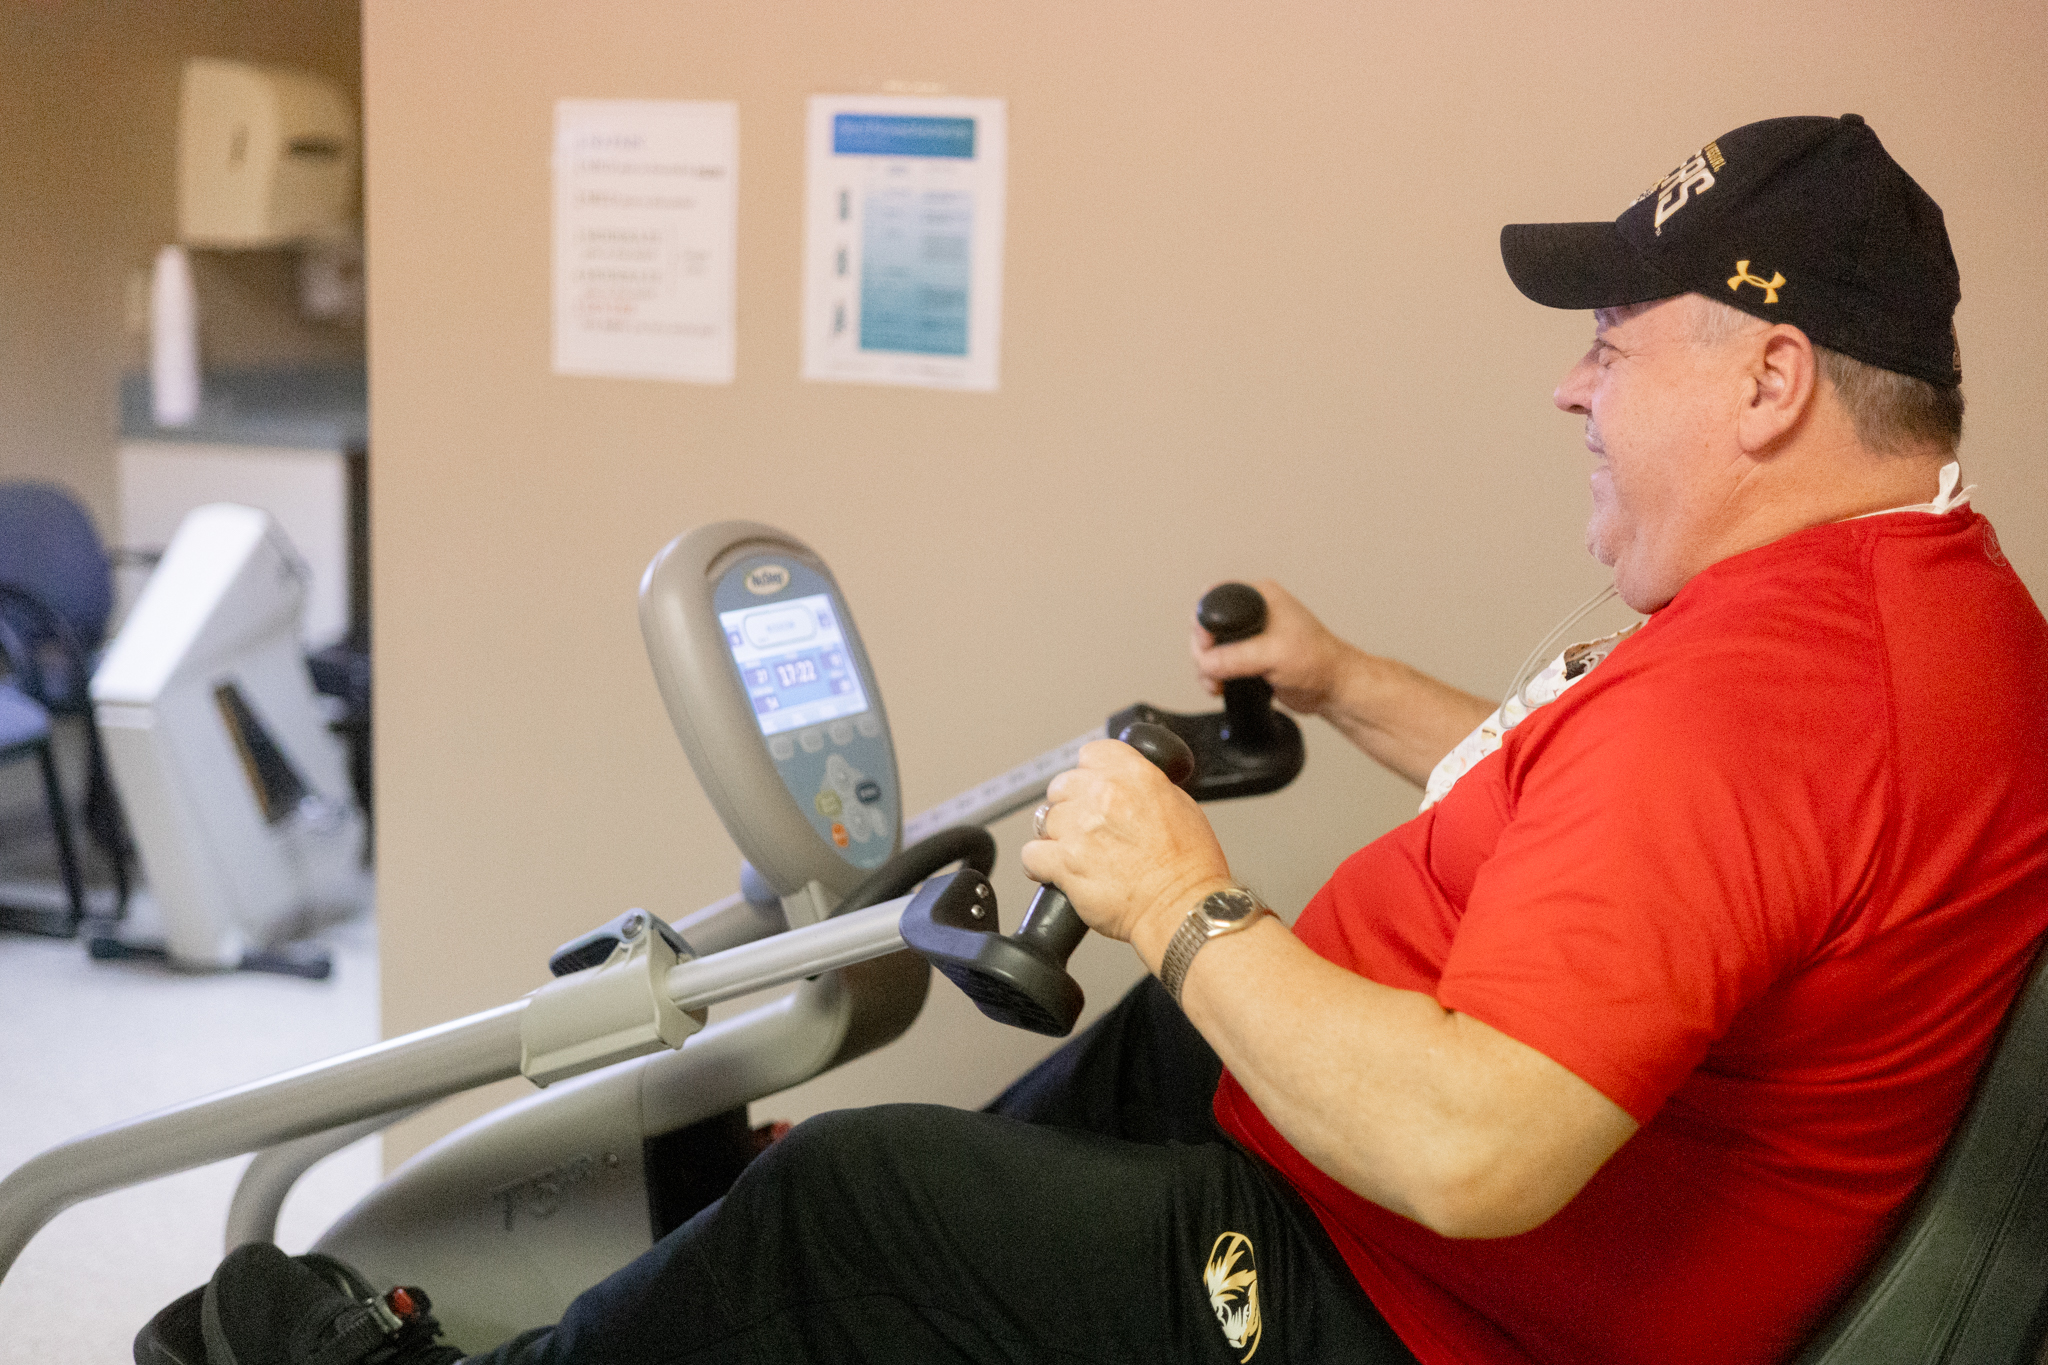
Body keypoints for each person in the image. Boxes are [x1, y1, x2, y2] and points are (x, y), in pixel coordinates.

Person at [140, 113, 2048, 1365]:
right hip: (1462, 1245)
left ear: (1774, 379)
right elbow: (1636, 838)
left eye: (1620, 341)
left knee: (858, 1198)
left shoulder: (1768, 699)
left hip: (1425, 1303)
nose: (1573, 376)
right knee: (1131, 1056)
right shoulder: (1917, 606)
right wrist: (1345, 675)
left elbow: (1476, 1150)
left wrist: (1185, 896)